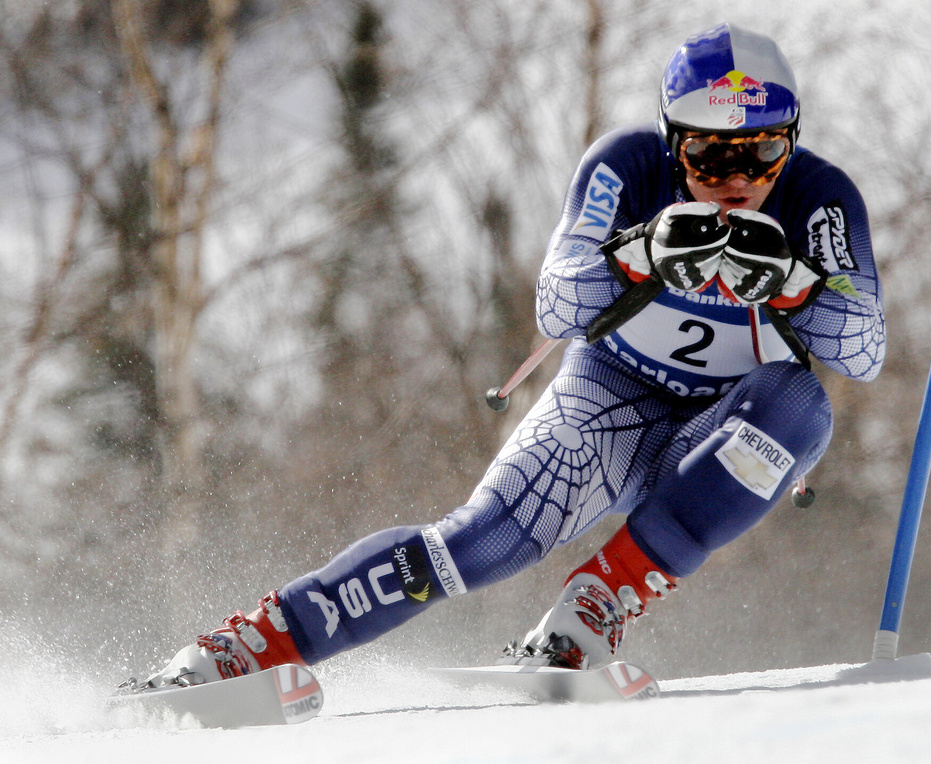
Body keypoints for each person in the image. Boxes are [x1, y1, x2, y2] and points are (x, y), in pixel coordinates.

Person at [145, 21, 884, 687]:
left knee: (799, 402)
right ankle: (249, 646)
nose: (735, 181)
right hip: (609, 405)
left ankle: (593, 608)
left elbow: (864, 351)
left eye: (762, 154)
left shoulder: (818, 198)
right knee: (478, 544)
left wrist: (794, 284)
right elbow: (557, 303)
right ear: (670, 140)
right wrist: (639, 253)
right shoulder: (626, 166)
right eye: (708, 153)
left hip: (717, 436)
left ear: (790, 142)